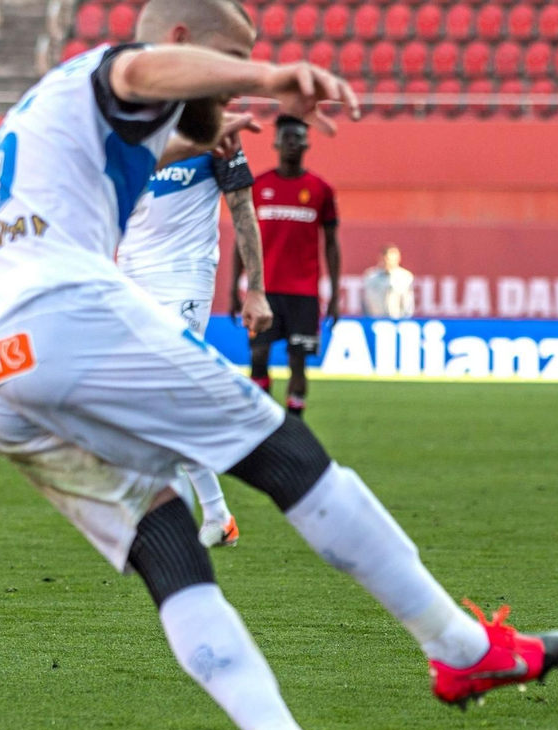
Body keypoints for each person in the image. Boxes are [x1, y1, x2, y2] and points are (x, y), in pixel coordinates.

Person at [0, 0, 558, 730]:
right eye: (230, 59)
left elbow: (149, 139)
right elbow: (138, 72)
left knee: (164, 537)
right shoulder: (113, 69)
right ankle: (460, 647)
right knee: (283, 451)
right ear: (180, 41)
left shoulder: (57, 121)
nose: (238, 80)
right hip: (63, 319)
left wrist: (210, 124)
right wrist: (278, 74)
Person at [117, 125, 273, 550]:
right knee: (144, 399)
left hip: (185, 277)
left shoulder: (216, 135)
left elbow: (243, 210)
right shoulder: (137, 134)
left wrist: (255, 290)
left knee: (162, 388)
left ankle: (185, 511)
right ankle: (217, 514)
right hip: (129, 274)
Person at [237, 116, 340, 419]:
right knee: (258, 356)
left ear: (307, 143)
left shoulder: (321, 189)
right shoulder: (259, 186)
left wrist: (333, 295)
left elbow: (331, 243)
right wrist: (234, 287)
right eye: (287, 137)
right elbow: (243, 238)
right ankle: (263, 419)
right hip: (263, 290)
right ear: (276, 142)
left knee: (298, 361)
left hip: (304, 293)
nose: (293, 142)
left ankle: (294, 425)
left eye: (298, 137)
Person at [361, 244, 414, 318]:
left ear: (398, 259)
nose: (389, 262)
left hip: (397, 321)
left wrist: (404, 320)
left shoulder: (405, 277)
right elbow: (365, 301)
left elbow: (408, 303)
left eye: (393, 260)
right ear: (382, 258)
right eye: (387, 259)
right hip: (375, 320)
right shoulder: (371, 276)